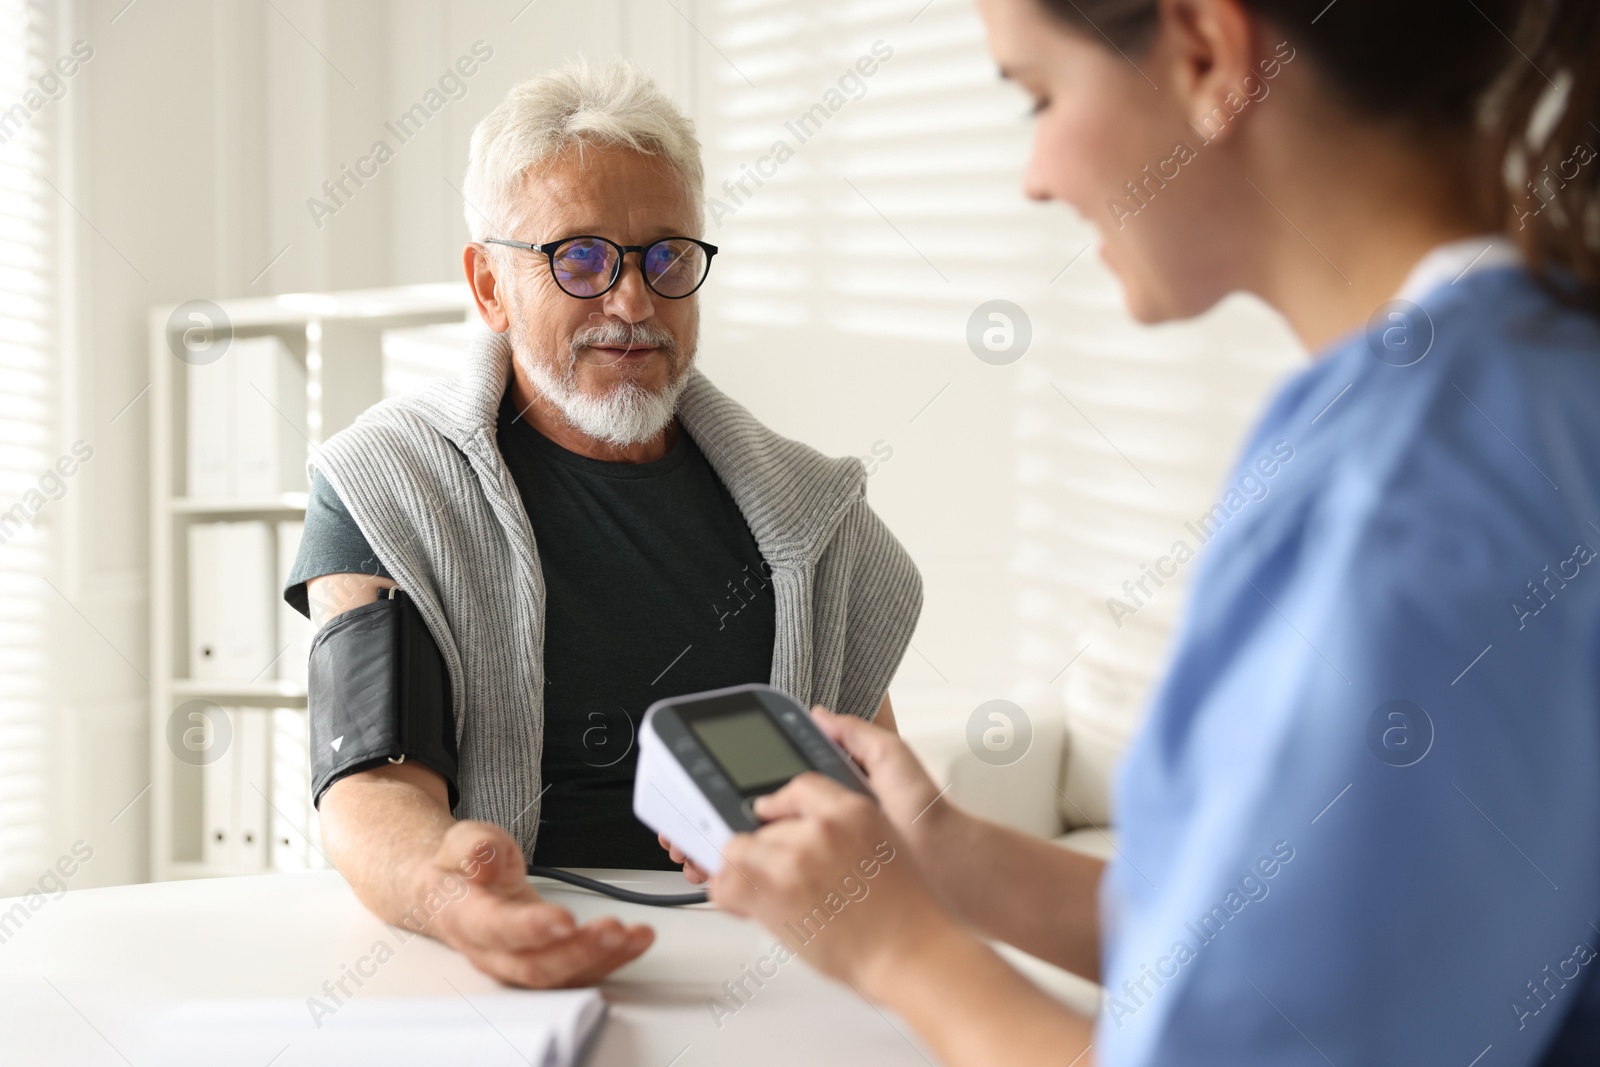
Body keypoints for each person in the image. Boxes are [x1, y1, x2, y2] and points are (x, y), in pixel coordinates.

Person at [689, 0, 1600, 1063]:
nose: (1033, 174)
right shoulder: (1534, 383)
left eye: (1039, 95)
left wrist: (899, 952)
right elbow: (1300, 952)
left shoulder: (1399, 507)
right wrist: (949, 857)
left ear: (1209, 54)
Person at [285, 60, 922, 989]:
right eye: (578, 257)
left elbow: (881, 800)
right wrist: (461, 898)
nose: (633, 302)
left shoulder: (813, 512)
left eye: (667, 256)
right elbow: (374, 785)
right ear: (491, 285)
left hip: (775, 966)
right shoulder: (387, 482)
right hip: (481, 954)